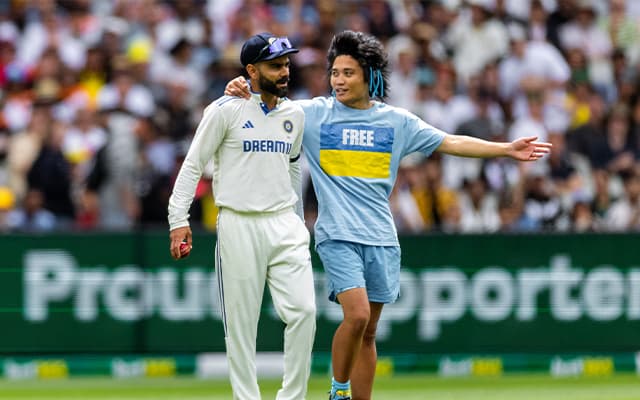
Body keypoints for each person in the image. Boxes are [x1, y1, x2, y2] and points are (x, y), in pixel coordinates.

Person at [226, 30, 552, 400]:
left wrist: (506, 149)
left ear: (370, 76)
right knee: (358, 315)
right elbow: (269, 107)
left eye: (348, 73)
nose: (338, 80)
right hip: (337, 235)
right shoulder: (313, 115)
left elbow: (452, 142)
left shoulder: (397, 122)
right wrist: (245, 88)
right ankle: (338, 390)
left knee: (369, 331)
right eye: (335, 72)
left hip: (382, 237)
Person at [168, 32, 316, 400]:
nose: (284, 72)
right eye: (275, 66)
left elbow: (293, 170)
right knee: (241, 326)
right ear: (251, 70)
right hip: (238, 221)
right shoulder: (224, 110)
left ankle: (292, 396)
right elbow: (192, 165)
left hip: (284, 223)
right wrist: (178, 219)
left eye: (286, 65)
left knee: (304, 313)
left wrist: (297, 219)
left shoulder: (294, 114)